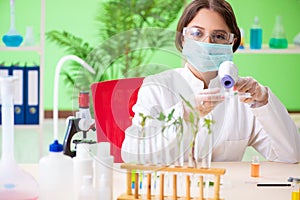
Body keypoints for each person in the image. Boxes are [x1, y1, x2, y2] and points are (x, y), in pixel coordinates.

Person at [121, 0, 300, 164]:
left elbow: (291, 155)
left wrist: (263, 100)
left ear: (232, 42)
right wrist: (184, 113)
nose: (207, 43)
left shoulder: (244, 97)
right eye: (197, 33)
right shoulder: (157, 88)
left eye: (219, 36)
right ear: (183, 38)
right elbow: (133, 155)